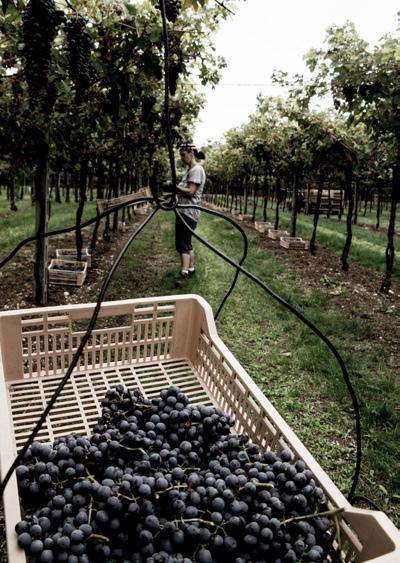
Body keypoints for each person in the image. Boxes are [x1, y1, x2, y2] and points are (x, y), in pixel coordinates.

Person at [174, 140, 206, 287]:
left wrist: (174, 188)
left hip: (188, 212)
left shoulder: (196, 170)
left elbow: (191, 192)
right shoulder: (190, 170)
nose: (181, 157)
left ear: (191, 152)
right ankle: (191, 269)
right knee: (187, 242)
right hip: (185, 212)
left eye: (183, 154)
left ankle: (184, 273)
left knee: (182, 244)